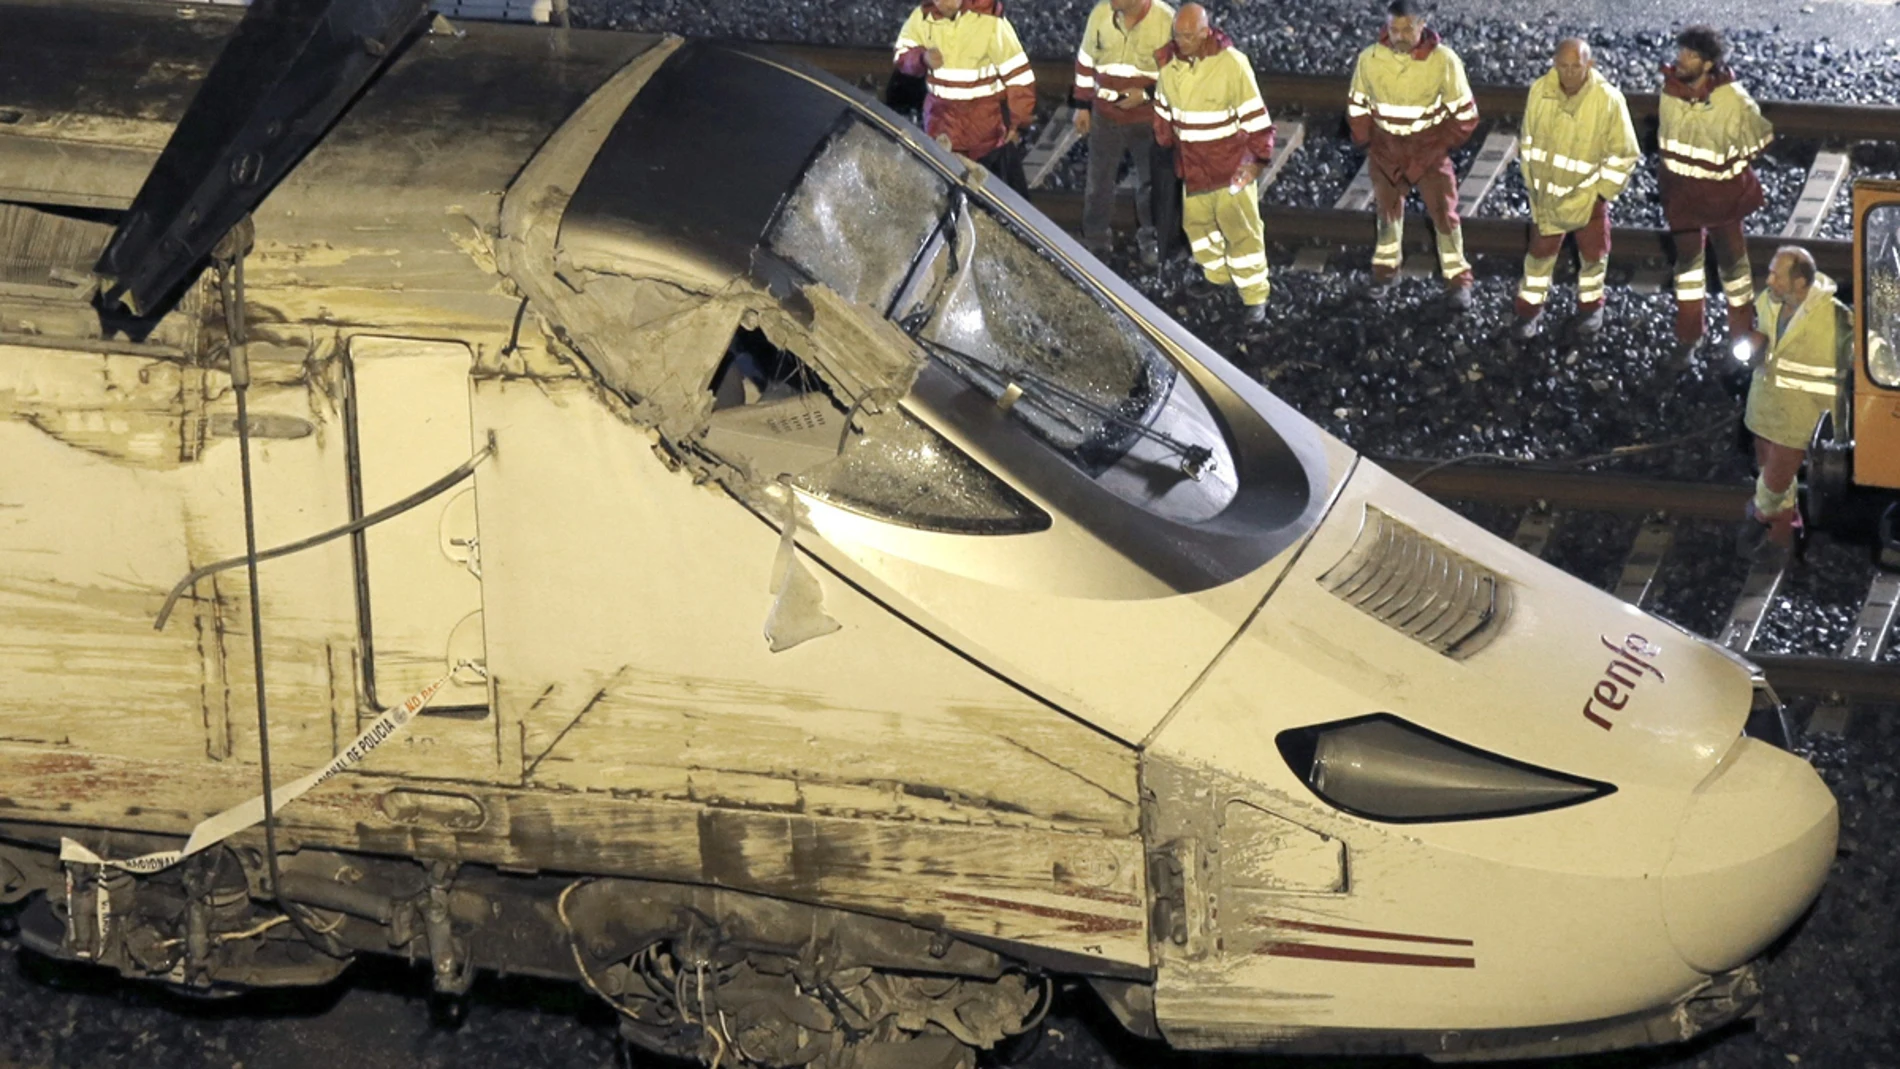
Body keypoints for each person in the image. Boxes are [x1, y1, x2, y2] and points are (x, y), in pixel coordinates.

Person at [1347, 0, 1479, 310]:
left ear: (1422, 26)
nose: (1400, 36)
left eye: (1407, 29)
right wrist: (1368, 142)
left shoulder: (1444, 62)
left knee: (1444, 214)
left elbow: (1465, 115)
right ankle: (1385, 273)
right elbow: (1357, 107)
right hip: (1386, 148)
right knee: (1387, 212)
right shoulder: (1370, 59)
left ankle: (1458, 280)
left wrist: (1437, 146)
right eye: (1394, 29)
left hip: (1427, 150)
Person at [1151, 4, 1275, 322]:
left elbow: (1256, 117)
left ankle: (1254, 296)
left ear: (1206, 33)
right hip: (1193, 166)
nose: (1182, 41)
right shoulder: (1169, 66)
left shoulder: (1232, 64)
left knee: (1242, 231)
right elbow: (1164, 112)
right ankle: (1217, 277)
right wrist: (1165, 141)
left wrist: (1259, 159)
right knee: (1198, 227)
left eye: (1189, 36)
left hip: (1230, 166)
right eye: (1178, 35)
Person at [1659, 24, 1774, 359]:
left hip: (1721, 200)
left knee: (1735, 273)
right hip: (1682, 198)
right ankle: (1688, 338)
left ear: (1708, 64)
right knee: (1688, 272)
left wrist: (1727, 167)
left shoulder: (1732, 101)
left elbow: (1759, 138)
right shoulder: (1669, 92)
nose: (1681, 59)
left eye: (1691, 54)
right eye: (1681, 51)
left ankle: (1741, 337)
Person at [1513, 38, 1640, 340]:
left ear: (1589, 65)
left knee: (1594, 257)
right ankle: (1528, 313)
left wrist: (1601, 193)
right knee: (1538, 259)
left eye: (1576, 67)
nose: (1569, 74)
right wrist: (1534, 186)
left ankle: (1590, 308)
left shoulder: (1608, 101)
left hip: (1587, 200)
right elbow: (1528, 140)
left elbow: (1624, 152)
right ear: (1555, 64)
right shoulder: (1540, 92)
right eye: (1563, 66)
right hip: (1549, 200)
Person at [1737, 246, 1850, 551]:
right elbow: (1762, 342)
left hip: (1806, 413)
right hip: (1766, 407)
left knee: (1776, 474)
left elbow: (1866, 350)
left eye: (1777, 274)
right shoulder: (1768, 303)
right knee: (1772, 473)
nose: (1769, 279)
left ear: (1800, 282)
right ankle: (1783, 537)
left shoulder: (1836, 317)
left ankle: (1760, 514)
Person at [894, 0, 1037, 194]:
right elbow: (901, 55)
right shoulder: (922, 17)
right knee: (945, 198)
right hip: (942, 132)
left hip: (986, 137)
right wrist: (921, 58)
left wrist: (1017, 123)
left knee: (991, 199)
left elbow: (1019, 77)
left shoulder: (990, 22)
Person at [1072, 0, 1176, 266]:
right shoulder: (1100, 14)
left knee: (1151, 183)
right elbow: (1085, 61)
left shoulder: (1166, 21)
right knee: (1099, 182)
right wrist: (1083, 105)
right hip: (1106, 115)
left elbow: (1178, 74)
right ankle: (1096, 241)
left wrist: (1145, 95)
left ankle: (1151, 239)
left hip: (1149, 117)